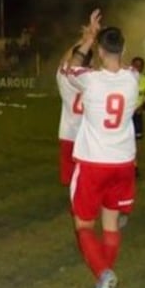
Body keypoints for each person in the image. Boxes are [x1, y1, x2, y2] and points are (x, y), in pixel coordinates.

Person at [61, 9, 138, 288]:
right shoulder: (133, 78)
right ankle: (104, 284)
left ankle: (103, 273)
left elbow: (70, 68)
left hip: (94, 161)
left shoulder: (90, 80)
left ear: (101, 51)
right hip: (123, 162)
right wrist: (100, 41)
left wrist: (87, 39)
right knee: (110, 223)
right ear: (123, 49)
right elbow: (123, 68)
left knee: (83, 224)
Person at [56, 46, 86, 187]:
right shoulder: (93, 80)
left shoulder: (65, 80)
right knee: (86, 173)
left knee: (70, 174)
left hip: (68, 133)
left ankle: (74, 200)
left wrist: (84, 40)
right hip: (87, 135)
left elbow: (63, 62)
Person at [131, 56, 145, 177]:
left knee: (137, 142)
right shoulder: (124, 78)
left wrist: (142, 107)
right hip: (124, 115)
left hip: (136, 115)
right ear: (131, 65)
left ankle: (135, 166)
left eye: (140, 66)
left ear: (143, 68)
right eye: (135, 65)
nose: (137, 68)